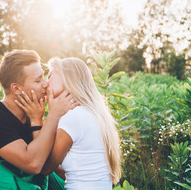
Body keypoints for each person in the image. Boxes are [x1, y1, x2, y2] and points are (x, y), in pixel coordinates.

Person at [0, 50, 78, 189]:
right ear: (16, 88)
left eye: (44, 77)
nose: (45, 84)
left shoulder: (32, 116)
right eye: (38, 80)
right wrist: (54, 115)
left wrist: (37, 122)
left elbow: (48, 168)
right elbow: (33, 165)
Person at [17, 57, 122, 190]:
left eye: (50, 76)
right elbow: (65, 168)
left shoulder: (74, 117)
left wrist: (36, 120)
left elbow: (44, 167)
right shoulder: (92, 113)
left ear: (68, 78)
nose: (46, 83)